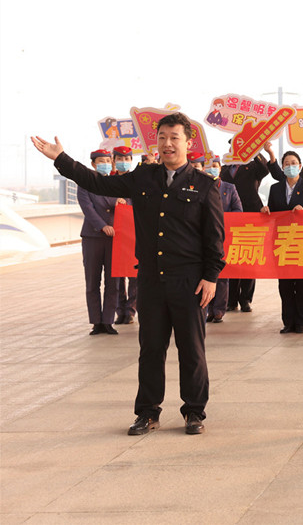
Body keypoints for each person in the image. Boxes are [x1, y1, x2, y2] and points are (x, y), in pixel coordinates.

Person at [33, 112, 225, 436]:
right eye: (162, 138)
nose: (167, 144)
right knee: (150, 349)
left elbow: (215, 237)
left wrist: (211, 276)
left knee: (192, 350)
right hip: (150, 280)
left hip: (188, 282)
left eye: (174, 138)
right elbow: (97, 183)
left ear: (188, 142)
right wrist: (61, 159)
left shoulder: (205, 185)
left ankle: (194, 412)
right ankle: (147, 413)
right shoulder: (143, 177)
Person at [262, 150, 303, 334]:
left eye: (293, 163)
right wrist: (265, 210)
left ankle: (301, 321)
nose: (290, 166)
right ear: (282, 167)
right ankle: (288, 321)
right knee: (285, 285)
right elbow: (274, 212)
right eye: (287, 164)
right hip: (282, 243)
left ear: (300, 165)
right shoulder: (275, 188)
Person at [220, 141, 282, 313]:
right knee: (231, 258)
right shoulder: (224, 169)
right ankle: (231, 300)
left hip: (251, 215)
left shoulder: (253, 166)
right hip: (230, 219)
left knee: (249, 258)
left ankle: (245, 299)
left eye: (239, 146)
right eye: (233, 147)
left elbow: (265, 169)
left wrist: (254, 151)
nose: (235, 150)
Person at [76, 148, 121, 336]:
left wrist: (122, 202)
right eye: (101, 161)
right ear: (93, 164)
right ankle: (96, 322)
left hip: (115, 237)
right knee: (92, 281)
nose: (105, 164)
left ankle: (108, 321)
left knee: (113, 282)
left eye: (108, 161)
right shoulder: (85, 183)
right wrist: (102, 226)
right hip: (93, 237)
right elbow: (87, 208)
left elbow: (129, 202)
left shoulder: (117, 183)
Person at [199, 154, 242, 323]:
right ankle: (207, 308)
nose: (212, 169)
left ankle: (218, 310)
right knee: (205, 273)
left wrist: (220, 218)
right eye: (209, 166)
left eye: (215, 166)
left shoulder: (229, 188)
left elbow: (238, 210)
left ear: (220, 168)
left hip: (224, 236)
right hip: (203, 237)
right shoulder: (199, 186)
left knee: (222, 275)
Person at [111, 145, 138, 325]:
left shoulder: (136, 180)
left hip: (132, 233)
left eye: (126, 159)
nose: (123, 162)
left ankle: (130, 310)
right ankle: (120, 310)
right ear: (114, 160)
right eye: (120, 159)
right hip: (113, 233)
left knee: (134, 274)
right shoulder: (108, 181)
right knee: (117, 275)